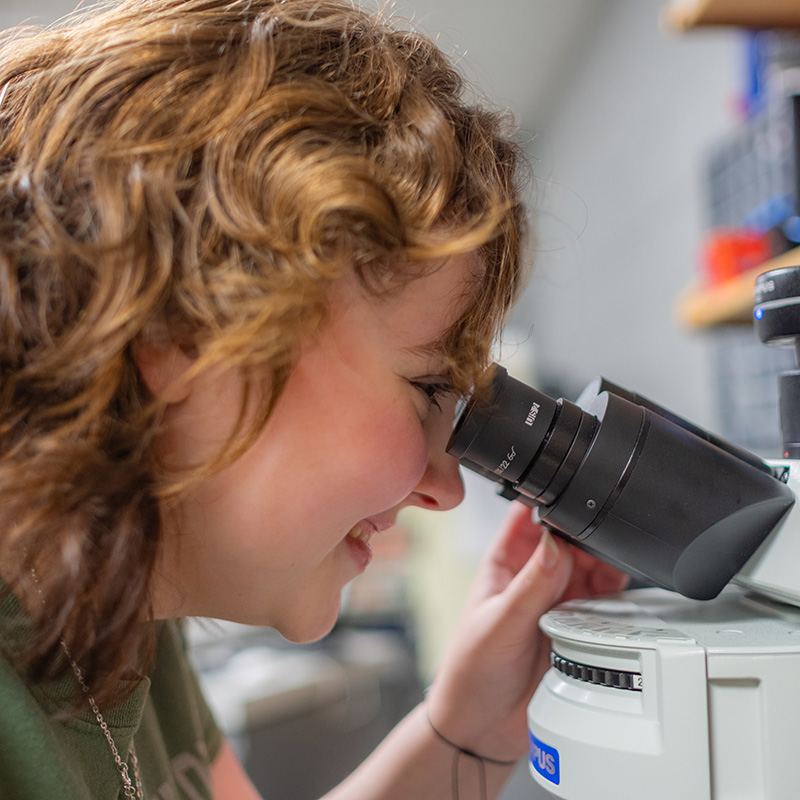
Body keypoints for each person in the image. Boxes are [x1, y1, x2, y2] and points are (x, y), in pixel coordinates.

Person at [0, 1, 628, 798]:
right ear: (189, 331)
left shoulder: (114, 615)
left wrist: (467, 729)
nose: (445, 489)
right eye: (428, 385)